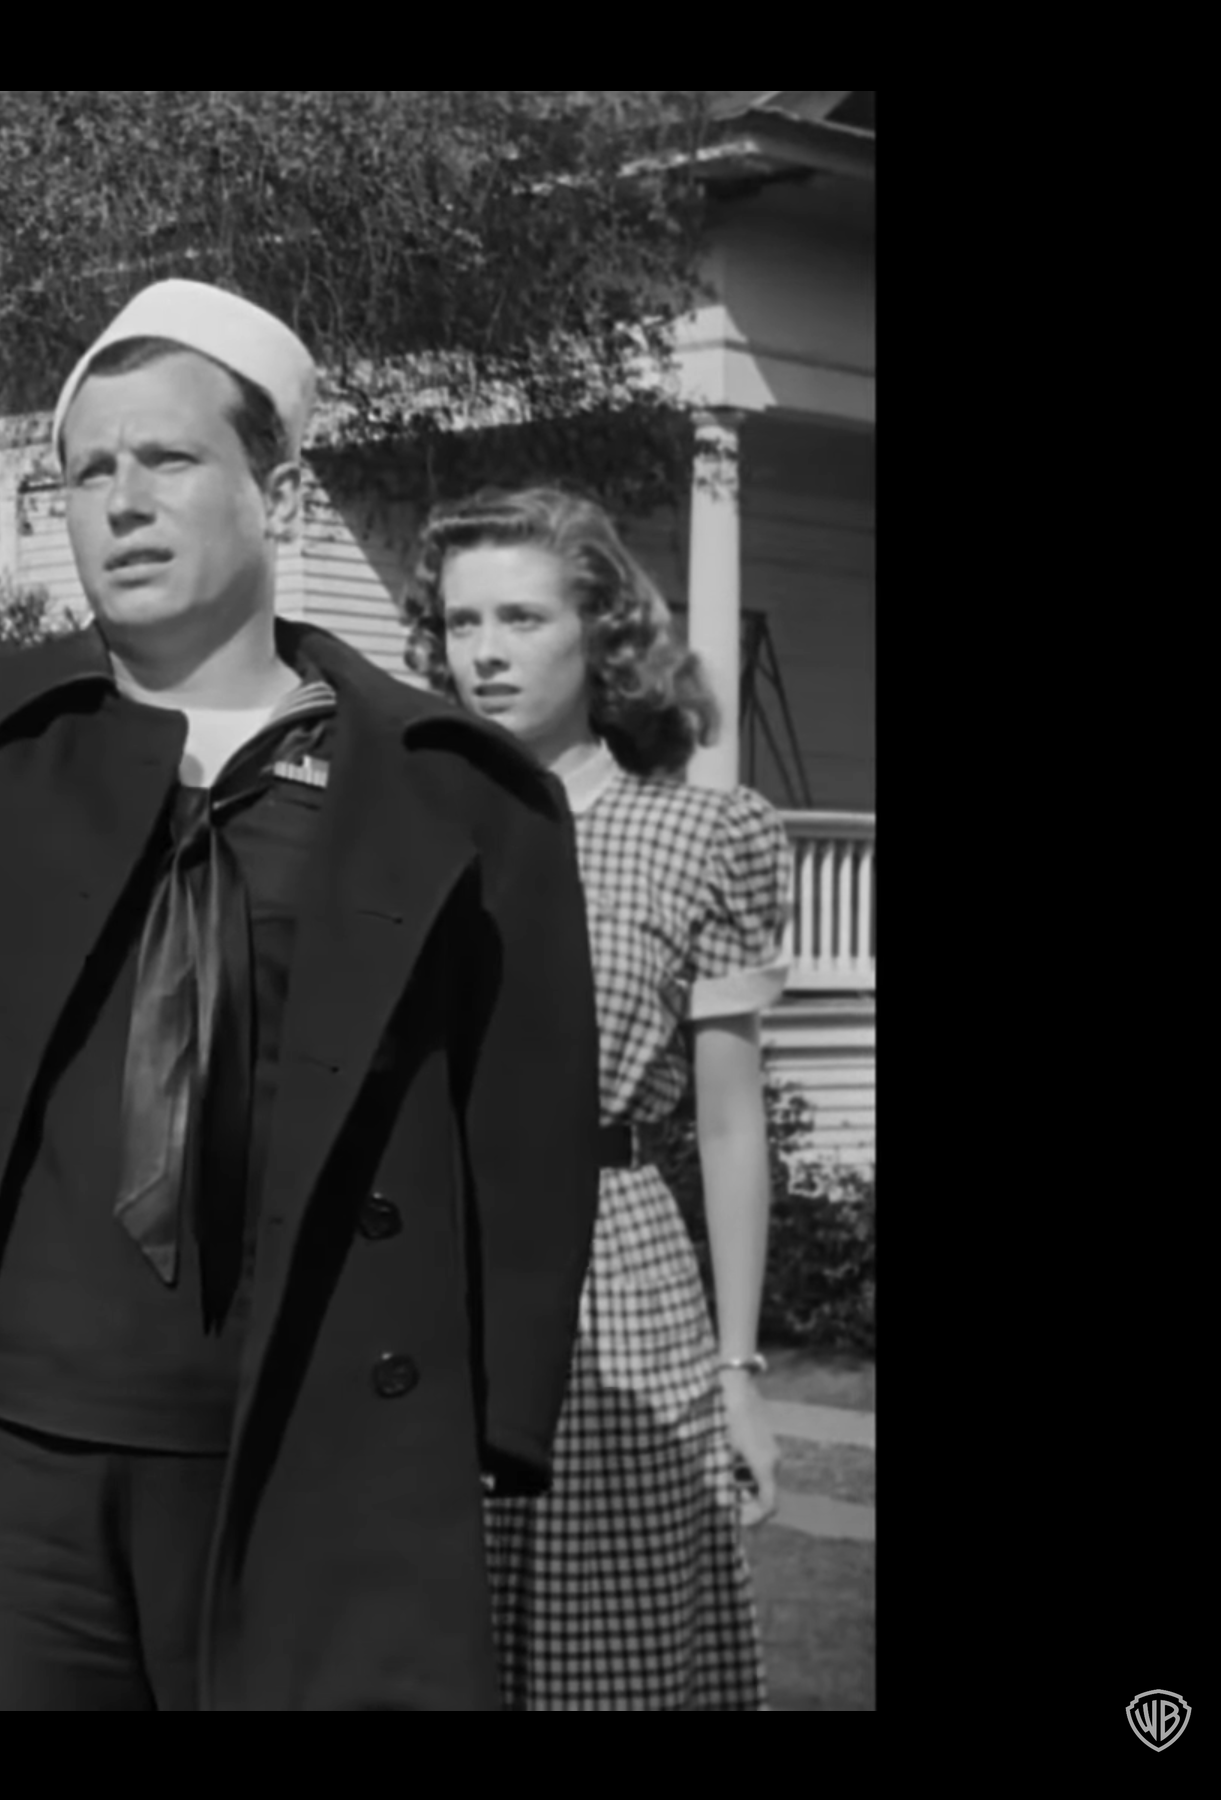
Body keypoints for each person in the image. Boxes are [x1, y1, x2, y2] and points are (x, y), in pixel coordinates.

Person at [0, 279, 604, 1711]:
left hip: (306, 1460)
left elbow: (523, 1135)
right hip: (15, 1466)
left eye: (169, 459)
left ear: (280, 486)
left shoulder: (453, 793)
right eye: (88, 469)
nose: (121, 500)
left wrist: (485, 1428)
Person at [402, 486, 792, 1711]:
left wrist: (739, 1370)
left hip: (612, 1272)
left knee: (602, 1662)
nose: (488, 651)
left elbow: (730, 1125)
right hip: (420, 1261)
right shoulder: (399, 822)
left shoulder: (702, 832)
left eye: (522, 615)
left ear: (604, 634)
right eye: (463, 622)